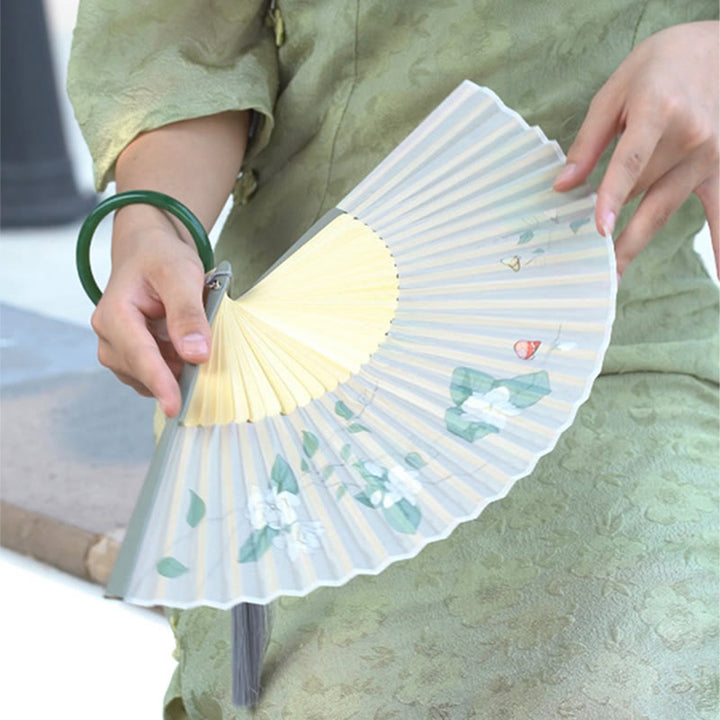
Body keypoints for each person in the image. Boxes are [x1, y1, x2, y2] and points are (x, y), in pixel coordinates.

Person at [68, 2, 718, 718]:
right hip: (300, 357)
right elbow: (190, 41)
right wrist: (154, 222)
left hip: (621, 331)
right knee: (338, 694)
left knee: (646, 663)